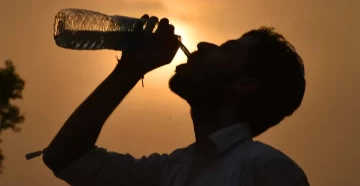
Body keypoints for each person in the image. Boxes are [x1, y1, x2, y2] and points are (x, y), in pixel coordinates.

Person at [43, 15, 310, 186]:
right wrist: (129, 70)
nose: (204, 45)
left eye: (226, 49)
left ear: (245, 85)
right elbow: (65, 157)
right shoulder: (169, 171)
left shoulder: (267, 171)